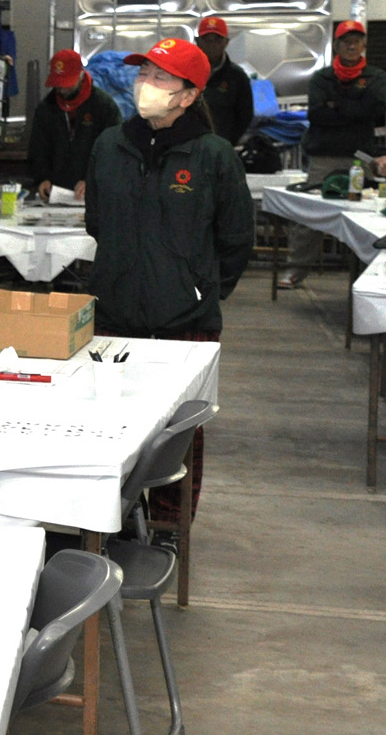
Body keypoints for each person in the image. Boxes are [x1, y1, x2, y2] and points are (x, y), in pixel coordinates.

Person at [85, 37, 254, 527]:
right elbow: (97, 221)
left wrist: (197, 288)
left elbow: (236, 239)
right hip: (115, 312)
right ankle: (111, 522)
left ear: (188, 94)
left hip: (186, 320)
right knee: (107, 421)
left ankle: (167, 526)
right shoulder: (110, 145)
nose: (146, 84)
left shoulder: (213, 156)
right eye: (143, 74)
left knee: (178, 432)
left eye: (160, 77)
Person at [279, 20, 386, 288]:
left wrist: (336, 105)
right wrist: (355, 108)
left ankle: (368, 276)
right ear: (337, 46)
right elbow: (317, 114)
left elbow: (375, 111)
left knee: (365, 216)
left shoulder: (376, 77)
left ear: (363, 45)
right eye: (346, 41)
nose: (352, 46)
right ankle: (296, 270)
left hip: (360, 156)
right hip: (323, 156)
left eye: (356, 41)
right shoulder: (322, 77)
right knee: (308, 214)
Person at [28, 48, 121, 201]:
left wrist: (92, 179)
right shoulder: (46, 108)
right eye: (58, 84)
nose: (62, 89)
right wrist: (42, 178)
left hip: (94, 195)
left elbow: (114, 152)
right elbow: (38, 149)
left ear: (81, 75)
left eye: (67, 83)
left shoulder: (104, 107)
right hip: (55, 195)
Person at [194, 15, 256, 146]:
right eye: (206, 39)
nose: (212, 45)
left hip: (222, 147)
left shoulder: (237, 77)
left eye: (217, 40)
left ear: (226, 42)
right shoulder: (186, 72)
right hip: (190, 146)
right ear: (198, 42)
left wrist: (228, 143)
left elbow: (245, 115)